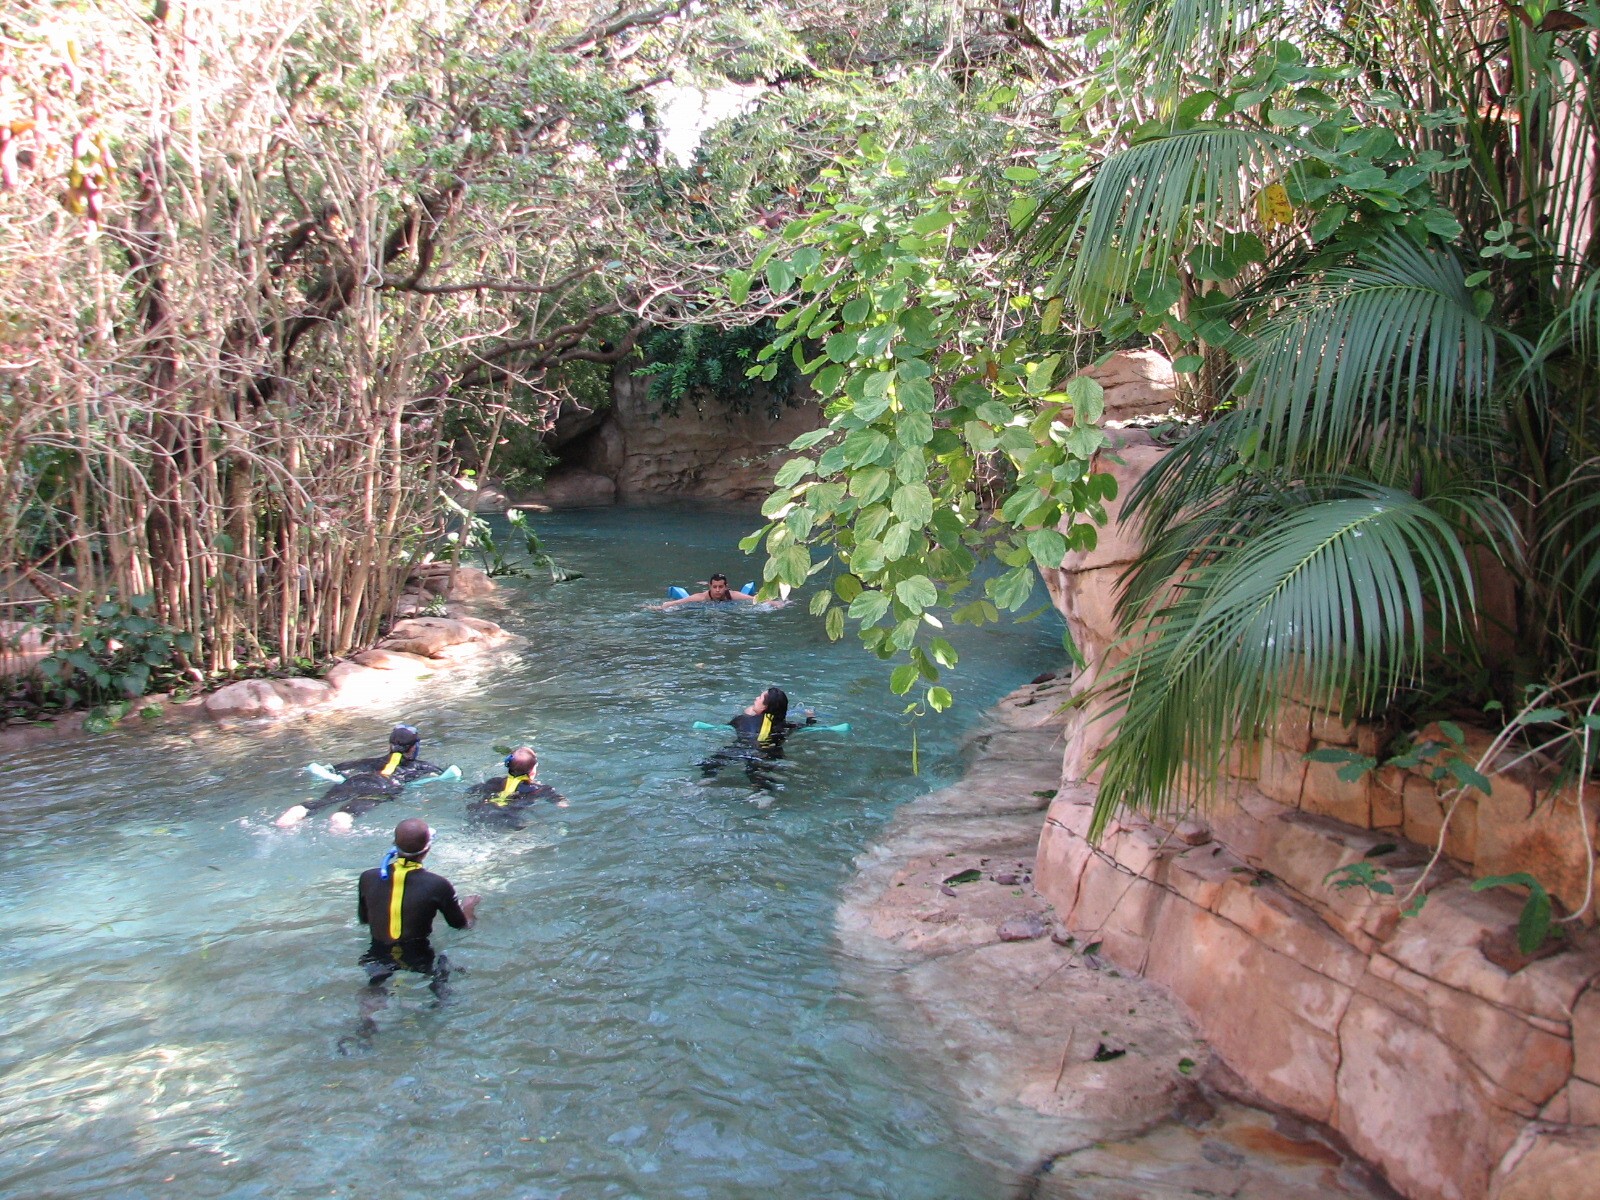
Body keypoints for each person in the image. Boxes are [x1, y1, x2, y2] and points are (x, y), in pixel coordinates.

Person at [357, 818, 480, 992]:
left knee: (375, 986)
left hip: (377, 953)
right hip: (418, 954)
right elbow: (460, 925)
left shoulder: (368, 877)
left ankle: (367, 1013)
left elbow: (364, 919)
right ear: (427, 849)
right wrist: (469, 907)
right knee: (441, 973)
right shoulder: (437, 884)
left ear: (394, 844)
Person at [276, 724, 445, 828]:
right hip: (383, 785)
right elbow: (446, 775)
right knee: (351, 810)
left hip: (355, 780)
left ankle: (300, 810)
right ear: (414, 747)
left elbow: (335, 769)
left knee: (324, 801)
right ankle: (342, 818)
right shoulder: (421, 766)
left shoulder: (370, 762)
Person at [699, 687, 813, 791]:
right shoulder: (786, 726)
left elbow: (726, 726)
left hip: (741, 749)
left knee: (710, 763)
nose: (756, 698)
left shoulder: (742, 719)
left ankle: (705, 780)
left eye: (760, 697)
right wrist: (810, 717)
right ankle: (762, 794)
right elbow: (808, 727)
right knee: (759, 777)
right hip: (769, 753)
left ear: (764, 707)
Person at [467, 746, 567, 829]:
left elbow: (471, 791)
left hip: (481, 810)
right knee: (530, 825)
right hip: (508, 817)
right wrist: (562, 802)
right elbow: (560, 803)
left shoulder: (494, 781)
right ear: (533, 771)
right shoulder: (539, 789)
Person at [658, 572, 759, 611]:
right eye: (714, 587)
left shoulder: (733, 595)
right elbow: (675, 603)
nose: (717, 590)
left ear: (726, 587)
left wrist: (774, 603)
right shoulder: (701, 597)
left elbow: (757, 600)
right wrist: (658, 608)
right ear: (710, 586)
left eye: (720, 587)